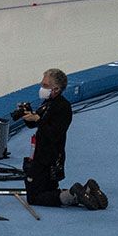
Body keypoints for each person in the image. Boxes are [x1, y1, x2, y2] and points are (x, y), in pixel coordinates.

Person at [14, 66, 97, 207]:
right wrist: (28, 116)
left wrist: (38, 120)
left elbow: (54, 134)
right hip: (44, 154)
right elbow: (36, 124)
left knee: (34, 198)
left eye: (45, 85)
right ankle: (86, 191)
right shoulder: (48, 103)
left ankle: (73, 196)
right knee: (47, 190)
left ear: (56, 89)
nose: (42, 87)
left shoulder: (63, 107)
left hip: (47, 158)